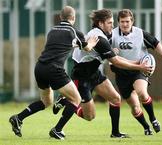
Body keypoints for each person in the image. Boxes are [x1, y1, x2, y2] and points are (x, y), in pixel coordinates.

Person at [52, 9, 153, 138]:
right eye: (110, 22)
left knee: (115, 99)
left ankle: (115, 133)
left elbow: (114, 57)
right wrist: (139, 66)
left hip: (94, 74)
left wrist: (136, 63)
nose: (112, 25)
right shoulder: (99, 38)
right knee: (89, 116)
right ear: (100, 24)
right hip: (81, 77)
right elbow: (116, 61)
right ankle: (66, 102)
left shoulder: (104, 35)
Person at [9, 6, 99, 140]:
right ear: (73, 18)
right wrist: (91, 42)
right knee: (76, 99)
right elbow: (87, 48)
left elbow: (60, 45)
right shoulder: (74, 32)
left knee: (46, 101)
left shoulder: (52, 30)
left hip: (40, 67)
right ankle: (57, 130)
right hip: (54, 69)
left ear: (61, 17)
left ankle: (18, 118)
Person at [110, 9, 162, 135]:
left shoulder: (140, 33)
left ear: (132, 21)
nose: (125, 24)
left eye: (127, 21)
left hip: (139, 70)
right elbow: (105, 49)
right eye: (122, 21)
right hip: (121, 74)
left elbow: (155, 42)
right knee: (134, 107)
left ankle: (153, 119)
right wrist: (112, 51)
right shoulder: (112, 35)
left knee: (142, 93)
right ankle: (146, 127)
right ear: (118, 22)